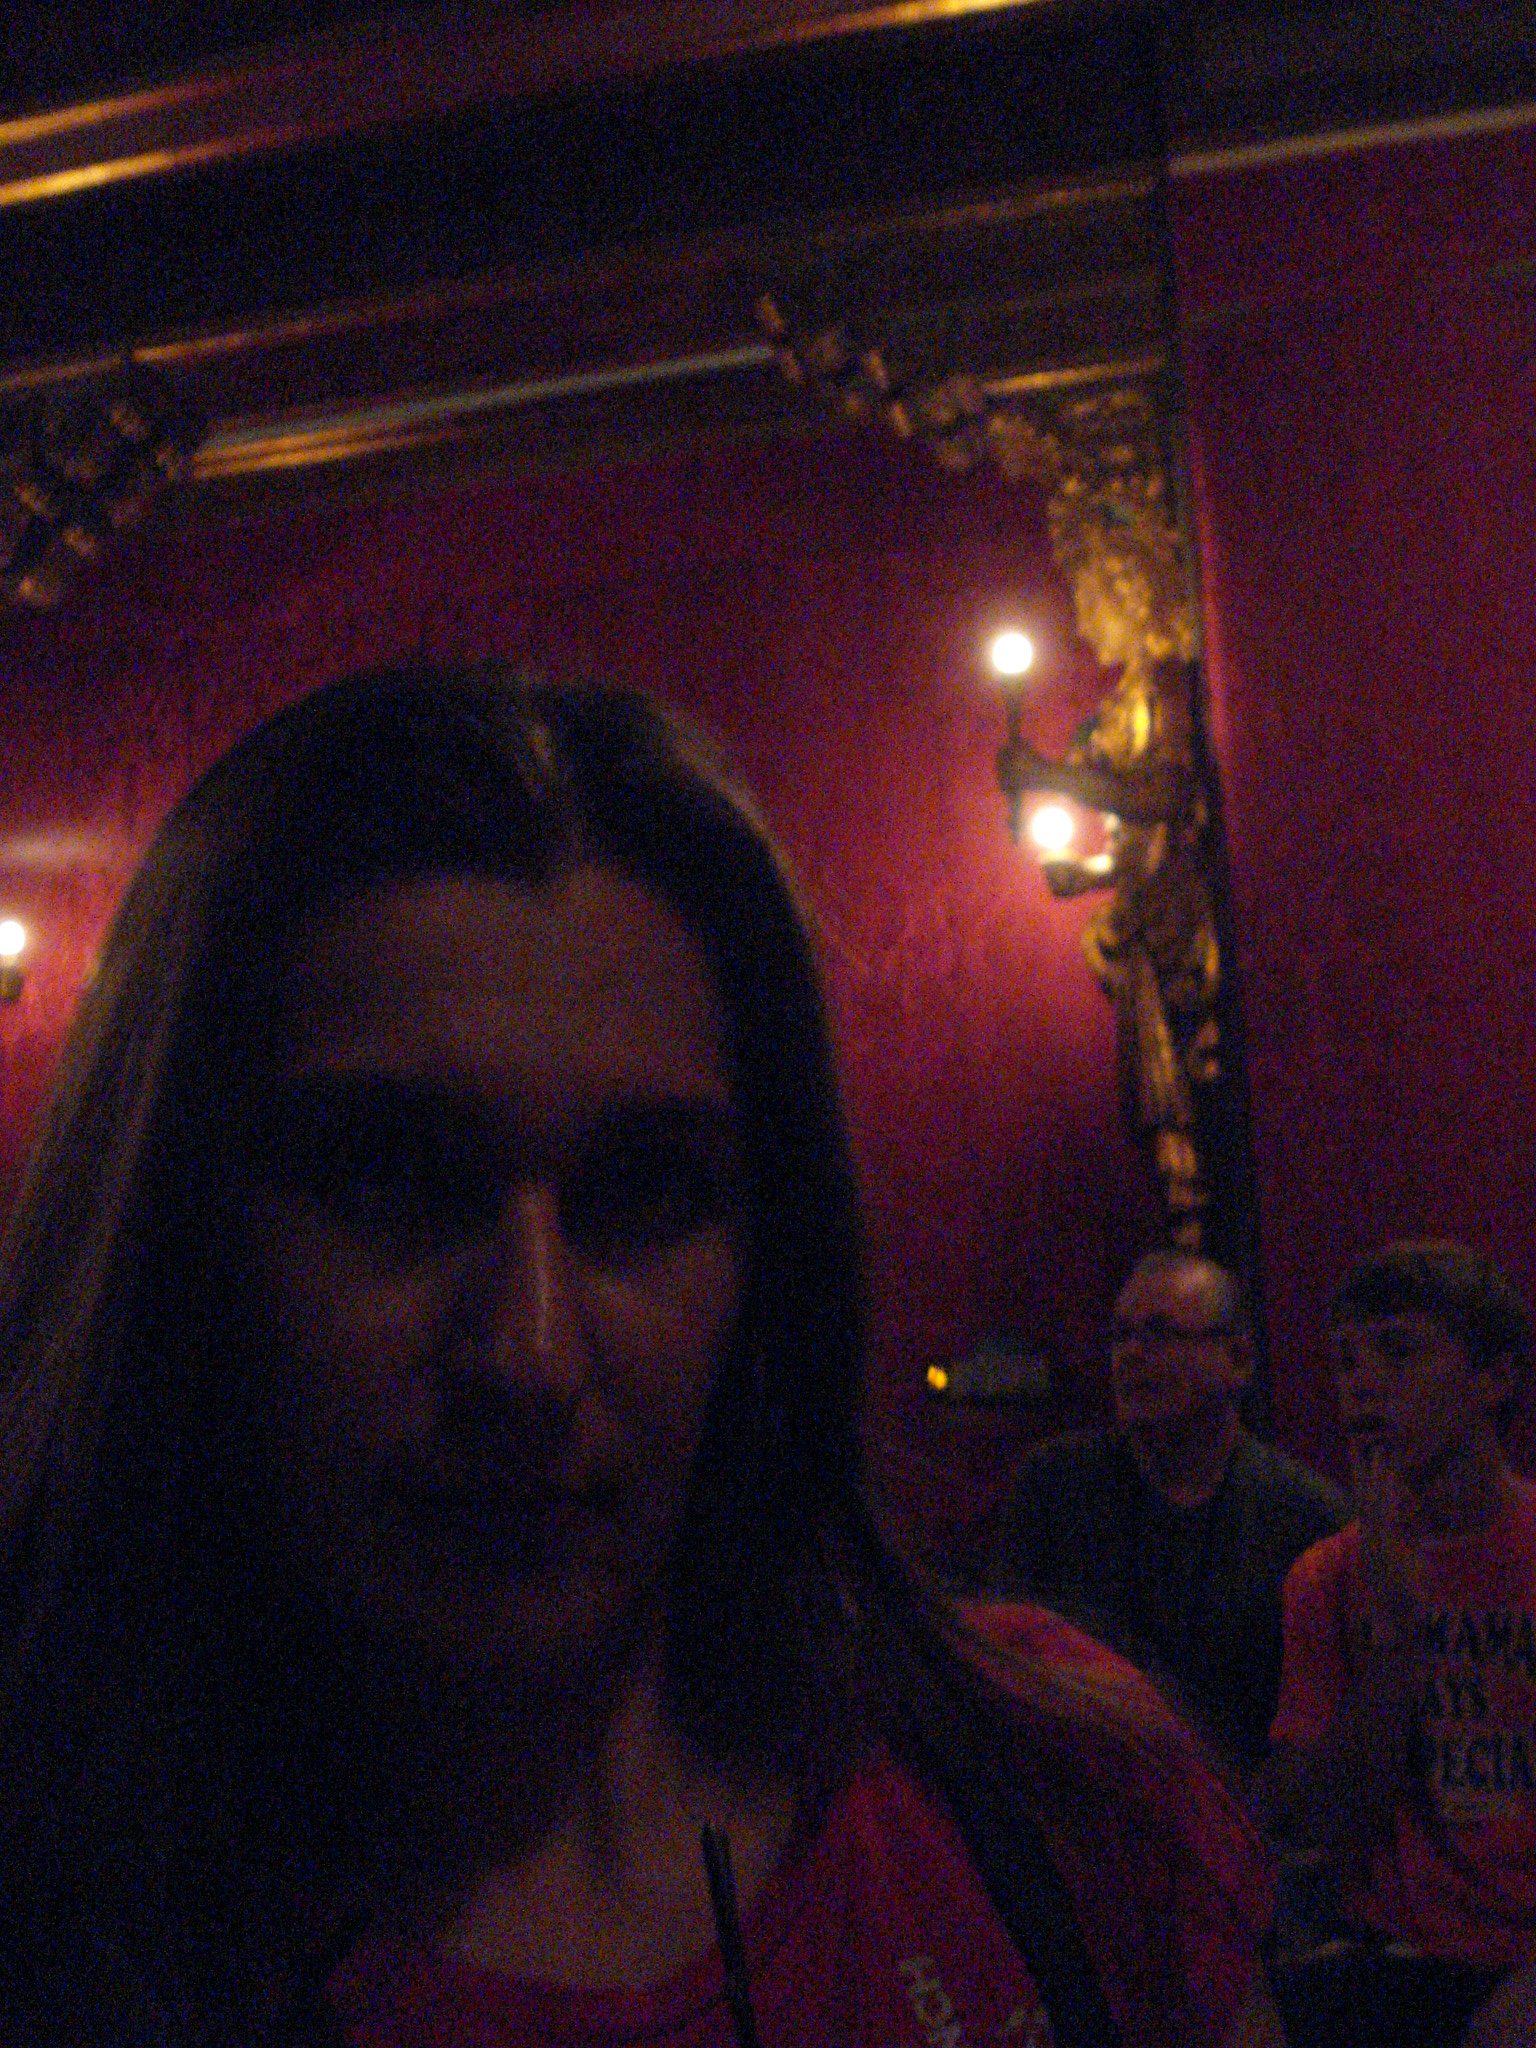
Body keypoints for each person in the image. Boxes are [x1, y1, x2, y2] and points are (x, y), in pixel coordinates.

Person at [0, 664, 1282, 2045]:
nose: (532, 1355)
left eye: (648, 1191)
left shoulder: (1062, 1795)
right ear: (174, 1228)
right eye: (387, 1177)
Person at [1258, 1241, 1536, 2048]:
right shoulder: (1327, 1574)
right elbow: (1325, 1829)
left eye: (1399, 1351)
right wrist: (1398, 1634)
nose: (1362, 1383)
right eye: (1346, 1360)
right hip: (1392, 1962)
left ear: (1494, 1378)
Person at [975, 1249, 1345, 1775]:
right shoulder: (1052, 1488)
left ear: (1238, 1359)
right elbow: (1008, 1663)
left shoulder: (1305, 1517)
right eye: (1121, 1336)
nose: (1131, 1355)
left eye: (1159, 1333)